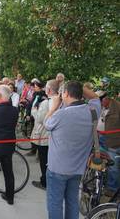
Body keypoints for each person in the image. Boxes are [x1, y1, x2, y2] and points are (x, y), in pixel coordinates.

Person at [44, 81, 101, 219]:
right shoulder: (93, 110)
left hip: (57, 169)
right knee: (72, 201)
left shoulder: (61, 114)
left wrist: (54, 106)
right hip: (77, 168)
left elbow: (46, 123)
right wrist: (79, 86)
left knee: (55, 203)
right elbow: (95, 98)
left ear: (66, 94)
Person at [31, 79, 59, 190]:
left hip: (45, 136)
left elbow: (40, 118)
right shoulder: (60, 100)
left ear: (48, 89)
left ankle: (45, 182)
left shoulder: (47, 102)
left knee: (44, 161)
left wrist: (34, 109)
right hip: (53, 137)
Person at [96, 91, 120, 196]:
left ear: (105, 99)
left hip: (113, 142)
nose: (99, 104)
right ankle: (99, 184)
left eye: (100, 102)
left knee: (113, 166)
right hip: (100, 138)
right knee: (99, 163)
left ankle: (112, 188)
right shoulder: (99, 107)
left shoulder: (117, 107)